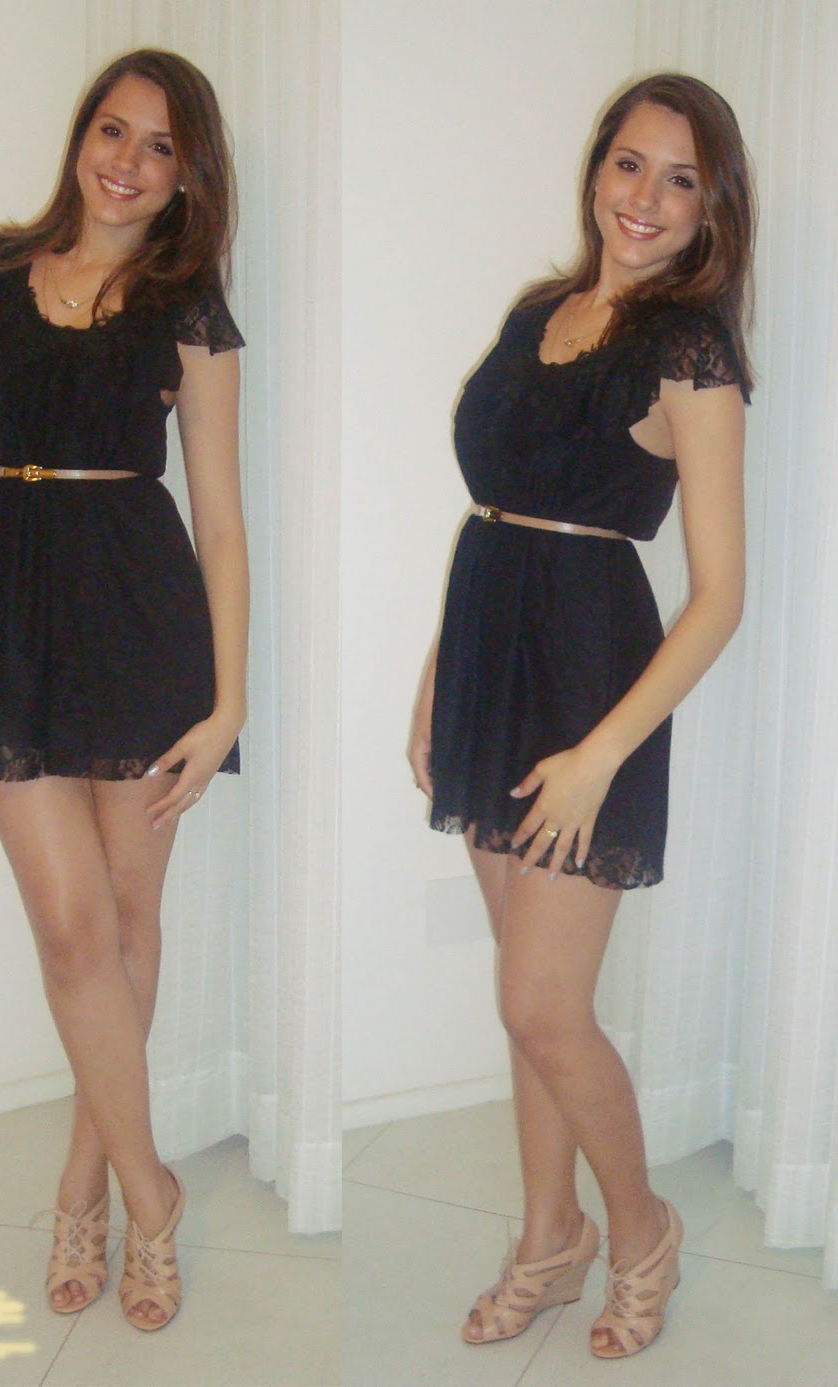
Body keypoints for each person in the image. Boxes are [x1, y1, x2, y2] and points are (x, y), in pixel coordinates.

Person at [407, 73, 753, 1357]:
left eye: (680, 178)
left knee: (544, 1004)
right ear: (596, 169)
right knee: (523, 999)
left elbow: (718, 597)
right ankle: (549, 1240)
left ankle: (641, 1227)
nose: (645, 197)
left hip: (587, 685)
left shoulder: (689, 351)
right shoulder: (534, 314)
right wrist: (435, 679)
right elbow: (494, 511)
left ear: (710, 209)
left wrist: (602, 755)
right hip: (488, 655)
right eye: (628, 162)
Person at [0, 49, 247, 1330]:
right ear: (81, 137)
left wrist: (228, 702)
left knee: (121, 915)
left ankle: (84, 1183)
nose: (127, 160)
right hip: (6, 612)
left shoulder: (187, 310)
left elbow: (219, 519)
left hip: (138, 614)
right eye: (113, 130)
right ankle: (148, 1189)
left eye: (159, 146)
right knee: (70, 928)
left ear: (186, 177)